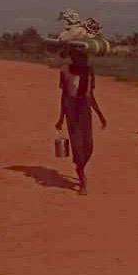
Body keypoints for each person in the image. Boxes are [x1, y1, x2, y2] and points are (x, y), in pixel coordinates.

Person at [55, 48, 107, 195]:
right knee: (77, 145)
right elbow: (64, 95)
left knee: (89, 146)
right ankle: (82, 177)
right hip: (71, 110)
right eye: (80, 56)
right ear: (72, 56)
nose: (83, 59)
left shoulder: (89, 71)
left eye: (85, 57)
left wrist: (100, 115)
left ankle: (79, 167)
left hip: (85, 109)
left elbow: (90, 95)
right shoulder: (64, 70)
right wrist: (60, 118)